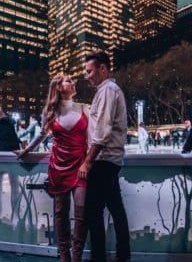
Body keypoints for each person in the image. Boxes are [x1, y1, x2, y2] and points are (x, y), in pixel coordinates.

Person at [15, 74, 88, 262]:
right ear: (58, 87)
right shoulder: (50, 110)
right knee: (61, 213)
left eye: (72, 81)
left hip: (81, 166)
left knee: (81, 213)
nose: (73, 83)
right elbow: (42, 134)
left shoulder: (84, 108)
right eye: (68, 81)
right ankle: (64, 255)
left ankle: (76, 257)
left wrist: (89, 160)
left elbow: (93, 136)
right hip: (59, 167)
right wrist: (27, 150)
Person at [78, 51, 131, 262]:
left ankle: (99, 257)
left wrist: (88, 161)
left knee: (93, 212)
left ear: (103, 69)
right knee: (116, 210)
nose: (86, 76)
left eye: (89, 71)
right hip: (110, 160)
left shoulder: (108, 90)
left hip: (104, 161)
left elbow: (102, 133)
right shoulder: (105, 90)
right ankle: (123, 255)